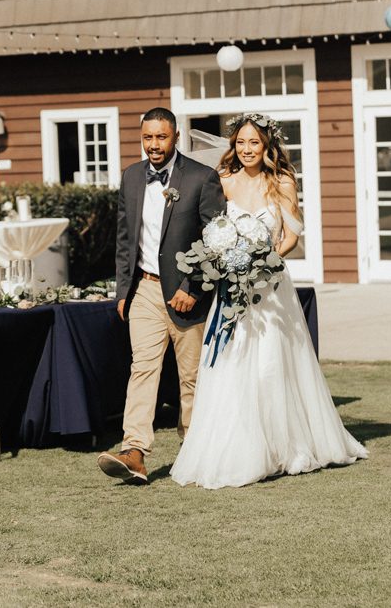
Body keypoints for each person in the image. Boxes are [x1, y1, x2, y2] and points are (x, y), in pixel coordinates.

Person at [170, 113, 368, 489]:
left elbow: (292, 234)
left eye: (254, 143)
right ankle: (240, 448)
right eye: (241, 143)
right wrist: (227, 262)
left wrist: (268, 260)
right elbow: (212, 231)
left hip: (272, 289)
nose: (247, 150)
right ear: (233, 145)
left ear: (267, 146)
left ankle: (283, 448)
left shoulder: (282, 181)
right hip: (232, 288)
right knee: (233, 365)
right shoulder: (223, 181)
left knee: (272, 366)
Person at [97, 107, 225, 484]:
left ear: (175, 137)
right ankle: (134, 450)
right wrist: (124, 290)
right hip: (145, 290)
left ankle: (195, 449)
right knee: (142, 369)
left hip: (187, 295)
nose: (154, 145)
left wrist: (195, 287)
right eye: (148, 137)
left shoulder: (202, 178)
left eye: (161, 137)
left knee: (192, 378)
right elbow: (125, 239)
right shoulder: (131, 177)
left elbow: (216, 241)